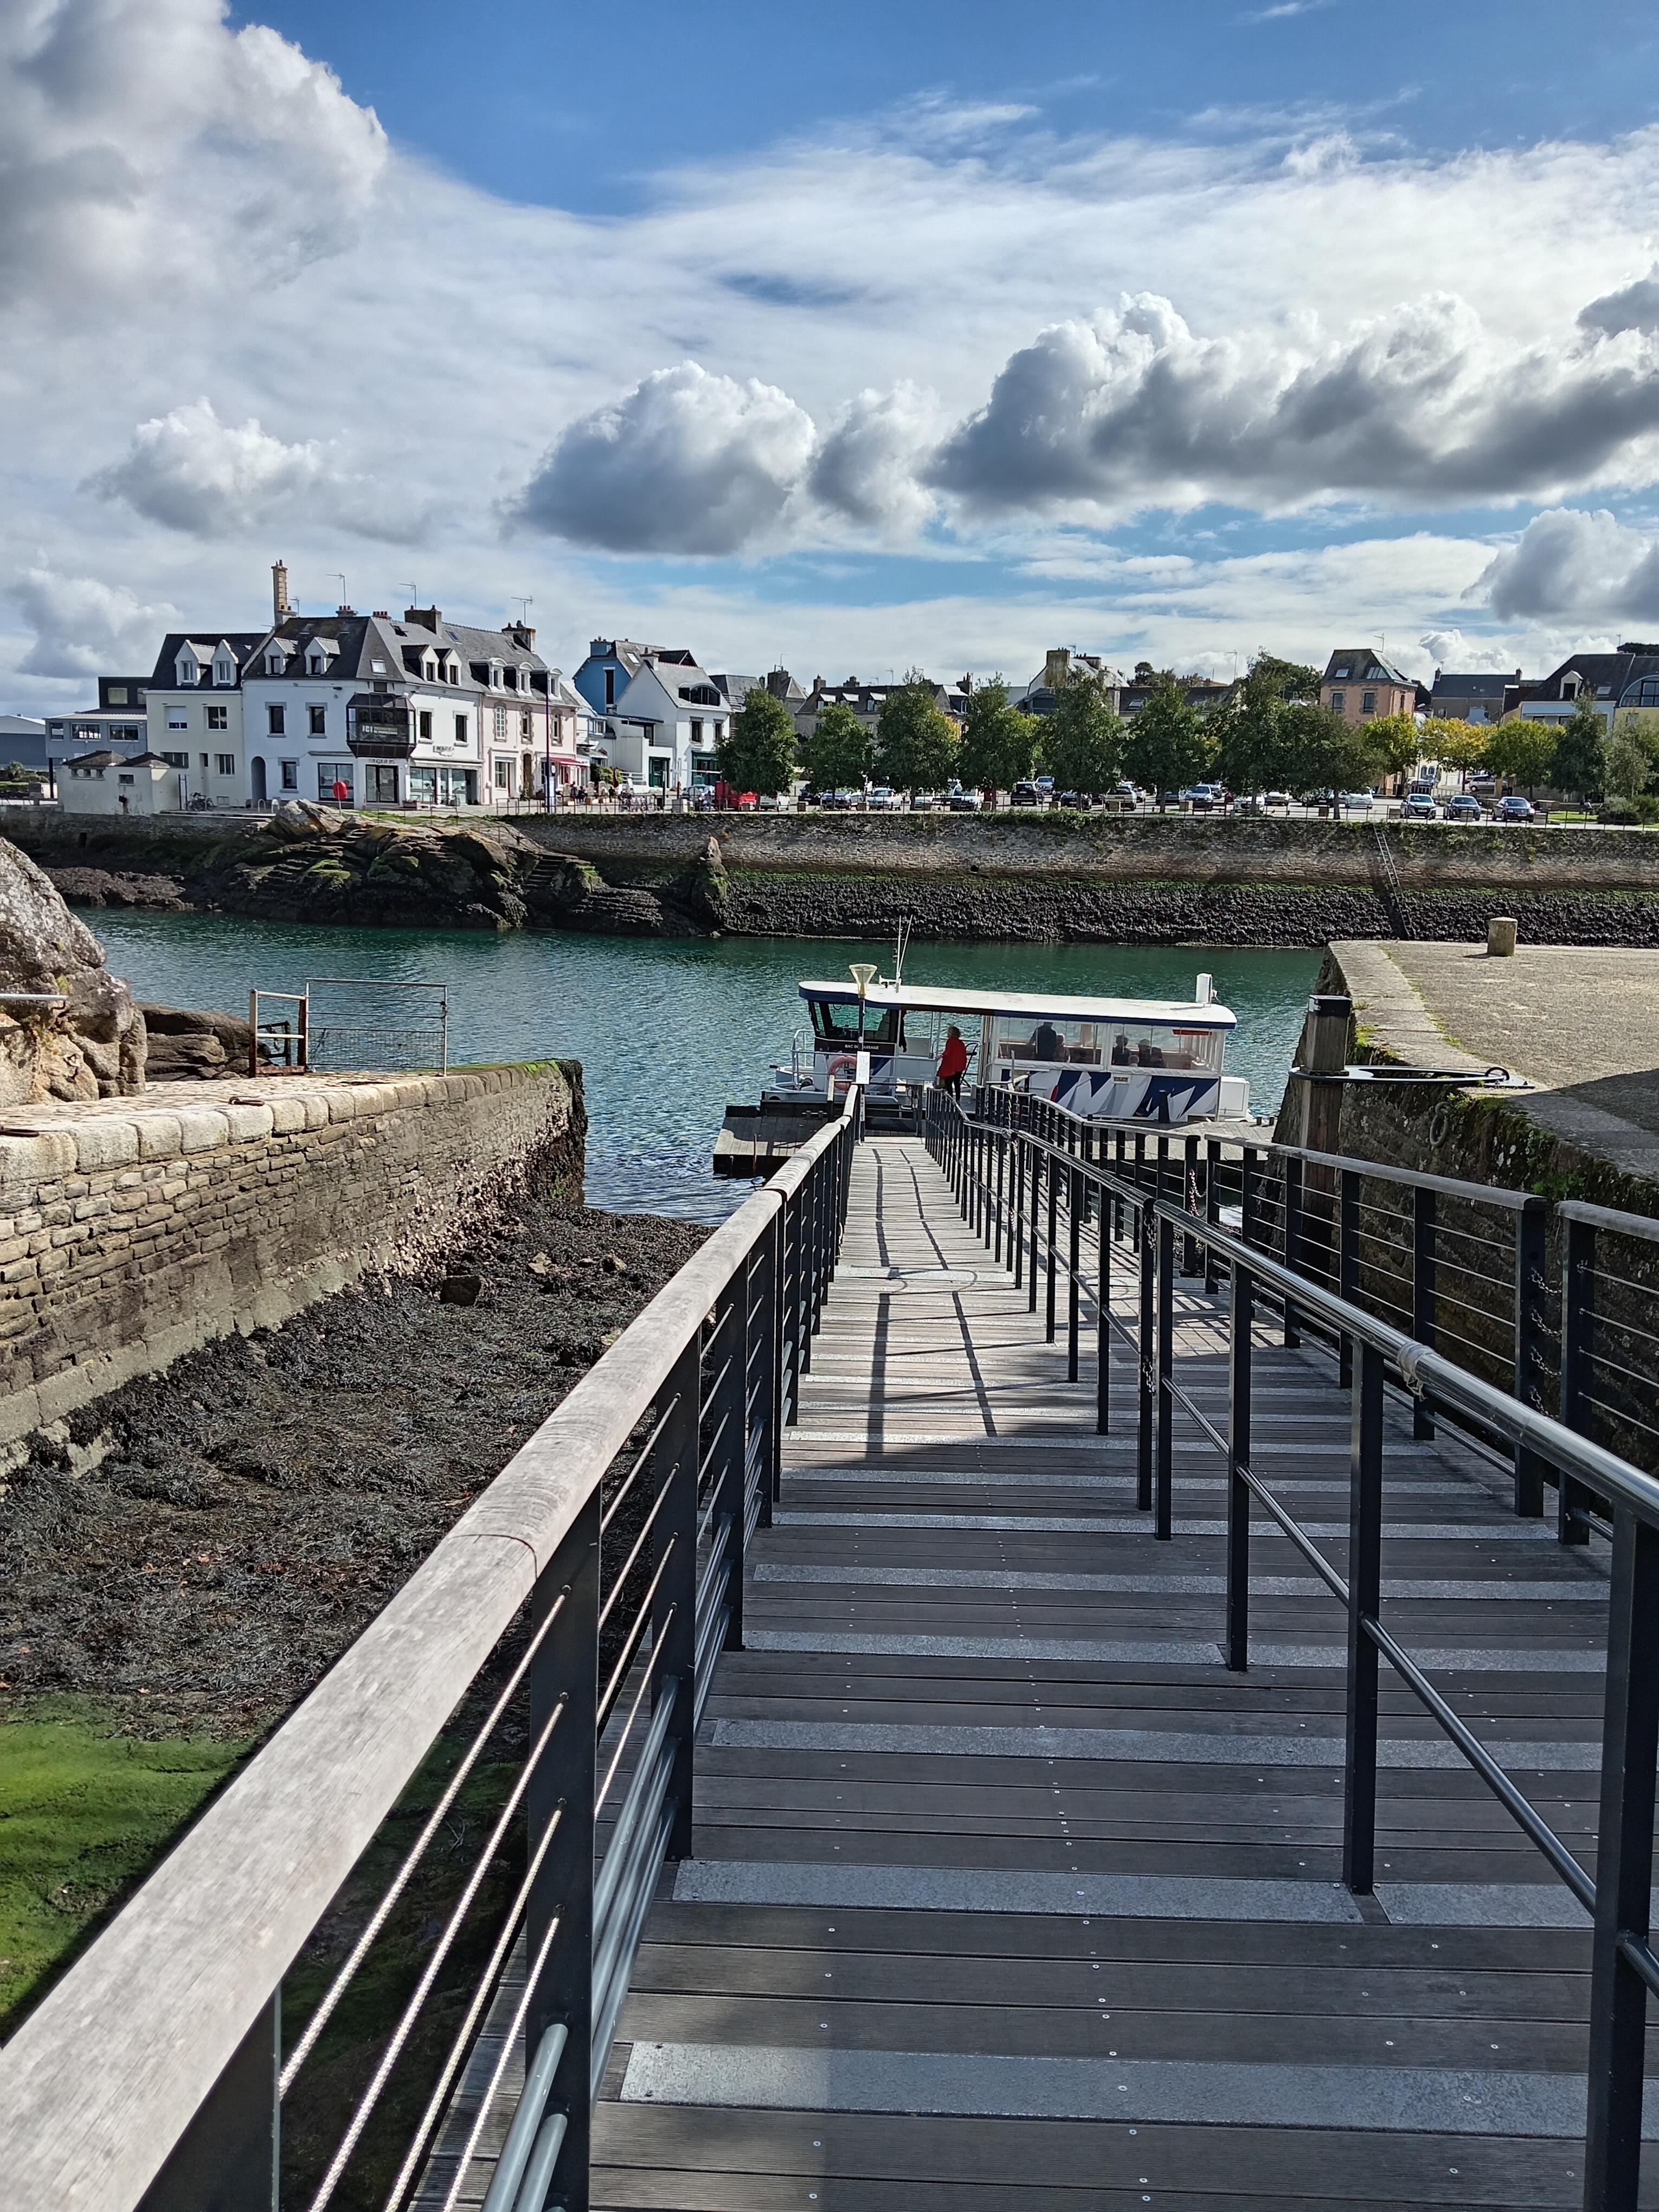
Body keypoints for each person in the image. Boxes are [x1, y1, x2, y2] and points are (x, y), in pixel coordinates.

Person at [936, 1024, 968, 1098]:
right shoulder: (961, 1043)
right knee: (957, 1083)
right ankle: (958, 1098)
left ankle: (950, 1097)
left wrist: (941, 1056)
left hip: (953, 1066)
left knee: (948, 1082)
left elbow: (948, 1052)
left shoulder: (950, 1041)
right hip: (961, 1065)